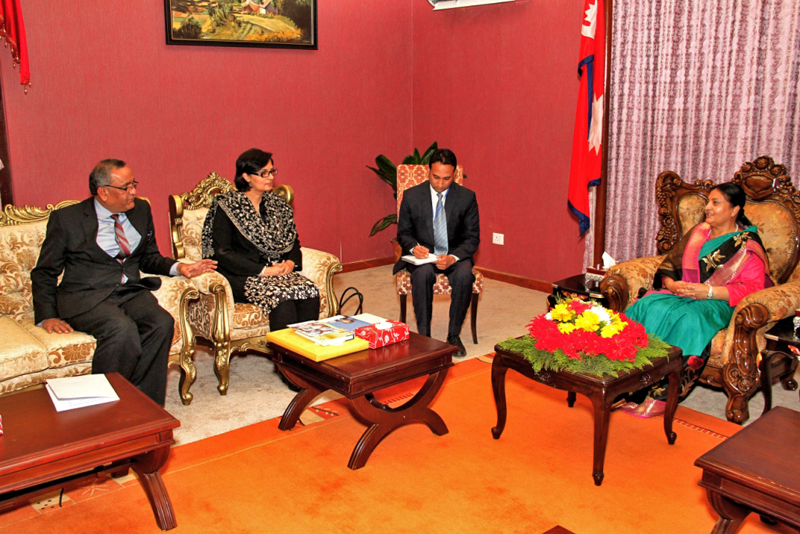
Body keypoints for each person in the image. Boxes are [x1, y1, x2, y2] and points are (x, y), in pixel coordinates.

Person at [31, 159, 217, 405]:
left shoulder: (140, 210)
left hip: (129, 291)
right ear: (103, 192)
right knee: (121, 330)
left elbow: (148, 257)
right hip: (86, 296)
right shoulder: (67, 219)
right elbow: (44, 271)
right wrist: (48, 315)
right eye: (126, 187)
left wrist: (179, 267)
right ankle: (103, 406)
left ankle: (144, 403)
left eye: (134, 184)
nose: (134, 192)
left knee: (161, 323)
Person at [621, 182, 771, 417]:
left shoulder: (746, 245)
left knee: (688, 318)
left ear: (734, 210)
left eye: (716, 202)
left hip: (718, 302)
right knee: (646, 305)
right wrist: (671, 284)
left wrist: (708, 292)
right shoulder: (698, 233)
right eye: (708, 202)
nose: (708, 208)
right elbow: (669, 265)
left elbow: (754, 288)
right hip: (680, 294)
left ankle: (662, 394)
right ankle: (627, 384)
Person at [201, 148, 320, 334]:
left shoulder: (277, 205)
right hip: (241, 274)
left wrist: (290, 262)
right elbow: (223, 253)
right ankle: (284, 359)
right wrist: (264, 271)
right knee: (283, 298)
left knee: (310, 292)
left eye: (272, 171)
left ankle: (307, 355)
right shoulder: (226, 206)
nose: (270, 177)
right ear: (247, 177)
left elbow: (293, 241)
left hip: (276, 272)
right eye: (263, 173)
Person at [392, 148, 480, 357]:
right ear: (428, 172)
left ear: (455, 174)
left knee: (464, 275)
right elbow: (403, 233)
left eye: (446, 179)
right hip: (422, 257)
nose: (440, 184)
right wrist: (414, 247)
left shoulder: (466, 198)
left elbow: (472, 238)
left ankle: (453, 335)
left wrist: (453, 257)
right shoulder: (412, 196)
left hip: (454, 254)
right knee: (422, 275)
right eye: (436, 177)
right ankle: (425, 337)